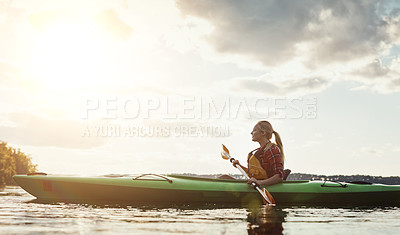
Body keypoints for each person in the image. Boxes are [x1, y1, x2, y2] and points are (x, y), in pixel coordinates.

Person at [231, 121, 285, 186]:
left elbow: (279, 176)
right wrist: (239, 166)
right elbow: (252, 174)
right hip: (254, 185)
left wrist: (260, 183)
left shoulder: (272, 150)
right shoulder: (254, 153)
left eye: (254, 130)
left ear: (263, 133)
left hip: (264, 187)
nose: (251, 133)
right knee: (224, 177)